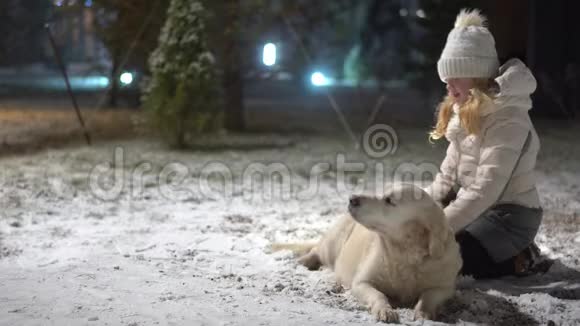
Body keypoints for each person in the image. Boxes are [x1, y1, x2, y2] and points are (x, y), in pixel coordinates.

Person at [423, 9, 549, 279]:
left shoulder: (509, 118)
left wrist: (439, 227)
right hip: (477, 210)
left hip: (510, 217)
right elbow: (447, 178)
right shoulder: (464, 111)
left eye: (456, 75)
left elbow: (486, 189)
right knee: (421, 247)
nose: (448, 84)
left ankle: (522, 255)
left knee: (452, 260)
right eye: (446, 77)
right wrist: (422, 212)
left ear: (479, 76)